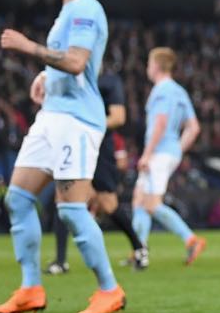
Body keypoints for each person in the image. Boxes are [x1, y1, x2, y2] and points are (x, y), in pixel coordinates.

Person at [0, 0, 125, 313]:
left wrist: (28, 48)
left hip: (76, 121)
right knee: (17, 198)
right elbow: (70, 63)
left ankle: (109, 290)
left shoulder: (86, 9)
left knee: (70, 210)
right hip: (52, 115)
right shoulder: (69, 11)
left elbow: (78, 62)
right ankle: (31, 287)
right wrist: (46, 77)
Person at [32, 68, 148, 273]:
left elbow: (118, 117)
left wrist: (86, 125)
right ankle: (60, 261)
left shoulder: (109, 81)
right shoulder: (69, 78)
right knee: (63, 197)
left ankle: (139, 247)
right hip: (70, 142)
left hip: (99, 145)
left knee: (108, 203)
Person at [131, 47, 206, 265]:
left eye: (148, 64)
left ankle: (190, 239)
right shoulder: (179, 91)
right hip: (169, 151)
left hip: (158, 152)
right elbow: (194, 128)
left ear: (155, 66)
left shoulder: (161, 91)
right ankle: (139, 250)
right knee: (139, 199)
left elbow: (161, 123)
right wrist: (178, 150)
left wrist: (147, 154)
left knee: (151, 203)